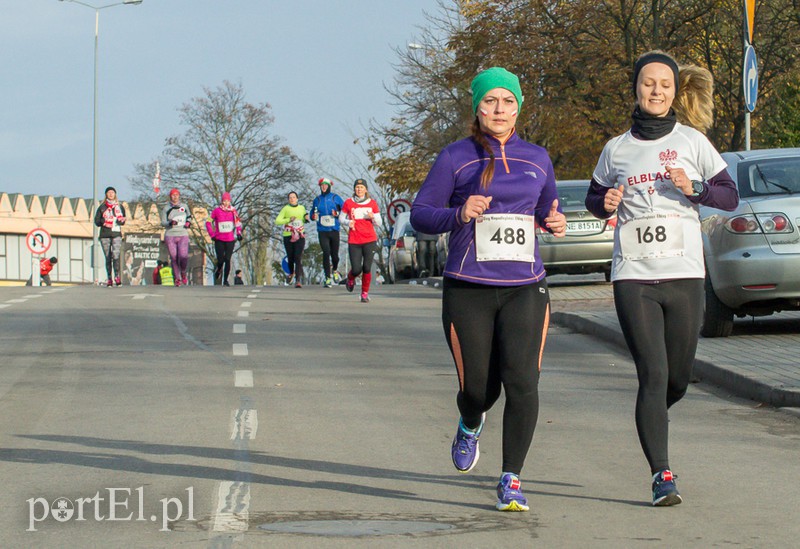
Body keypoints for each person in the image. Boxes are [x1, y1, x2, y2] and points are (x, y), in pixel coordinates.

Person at [584, 51, 739, 506]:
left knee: (678, 379)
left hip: (685, 273)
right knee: (653, 374)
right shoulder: (616, 148)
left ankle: (651, 418)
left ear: (676, 90)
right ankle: (661, 475)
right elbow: (596, 198)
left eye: (665, 85)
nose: (656, 91)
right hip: (633, 274)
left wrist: (696, 189)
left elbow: (729, 196)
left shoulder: (692, 142)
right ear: (635, 88)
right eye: (648, 83)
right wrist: (607, 202)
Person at [410, 67, 566, 512]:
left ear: (519, 106)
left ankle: (512, 478)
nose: (500, 110)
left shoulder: (538, 158)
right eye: (490, 102)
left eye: (508, 101)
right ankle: (470, 420)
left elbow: (546, 211)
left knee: (523, 382)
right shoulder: (455, 157)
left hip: (525, 287)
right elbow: (421, 214)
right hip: (469, 288)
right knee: (479, 389)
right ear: (476, 108)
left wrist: (553, 222)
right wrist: (458, 213)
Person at [340, 179, 382, 303]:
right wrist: (348, 222)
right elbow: (341, 218)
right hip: (354, 240)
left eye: (361, 187)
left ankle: (364, 293)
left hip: (369, 239)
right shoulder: (348, 203)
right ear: (354, 189)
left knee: (367, 268)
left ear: (366, 189)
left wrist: (372, 217)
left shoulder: (372, 203)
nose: (359, 189)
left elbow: (379, 223)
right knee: (357, 269)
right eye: (357, 187)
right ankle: (350, 278)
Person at [311, 178, 345, 287]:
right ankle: (327, 277)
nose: (324, 187)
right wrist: (313, 216)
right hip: (322, 231)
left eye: (325, 185)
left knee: (334, 255)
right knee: (326, 252)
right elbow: (312, 212)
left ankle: (334, 270)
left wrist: (337, 213)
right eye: (322, 185)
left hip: (334, 230)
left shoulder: (336, 198)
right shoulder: (317, 200)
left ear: (329, 186)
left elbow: (345, 211)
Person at [206, 191, 243, 286]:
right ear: (222, 201)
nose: (226, 203)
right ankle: (218, 270)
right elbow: (208, 222)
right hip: (219, 239)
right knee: (221, 260)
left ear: (230, 201)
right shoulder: (216, 211)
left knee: (227, 259)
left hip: (230, 239)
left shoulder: (233, 211)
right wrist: (212, 234)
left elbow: (238, 223)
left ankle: (225, 280)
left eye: (228, 201)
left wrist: (239, 233)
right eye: (224, 201)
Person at [275, 191, 309, 288]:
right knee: (290, 257)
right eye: (290, 197)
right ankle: (291, 272)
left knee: (298, 257)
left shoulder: (302, 208)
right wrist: (288, 220)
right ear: (288, 199)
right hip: (288, 235)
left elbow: (304, 218)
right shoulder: (285, 209)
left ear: (297, 199)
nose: (292, 199)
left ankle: (298, 280)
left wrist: (306, 218)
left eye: (294, 197)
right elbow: (277, 221)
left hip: (300, 235)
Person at [94, 186, 126, 287]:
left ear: (115, 194)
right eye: (109, 193)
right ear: (106, 195)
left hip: (116, 234)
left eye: (112, 192)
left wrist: (122, 221)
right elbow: (97, 221)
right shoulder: (102, 207)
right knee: (108, 257)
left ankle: (117, 276)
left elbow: (123, 220)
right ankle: (109, 278)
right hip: (105, 234)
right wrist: (103, 221)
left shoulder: (120, 207)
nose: (111, 194)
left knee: (116, 255)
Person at [161, 188, 193, 286]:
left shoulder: (184, 206)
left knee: (183, 256)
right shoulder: (166, 208)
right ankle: (177, 278)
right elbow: (163, 222)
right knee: (174, 257)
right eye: (173, 195)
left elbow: (189, 217)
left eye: (176, 195)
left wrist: (188, 223)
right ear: (170, 196)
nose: (175, 197)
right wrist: (170, 223)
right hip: (170, 235)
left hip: (183, 234)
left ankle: (183, 272)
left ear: (179, 196)